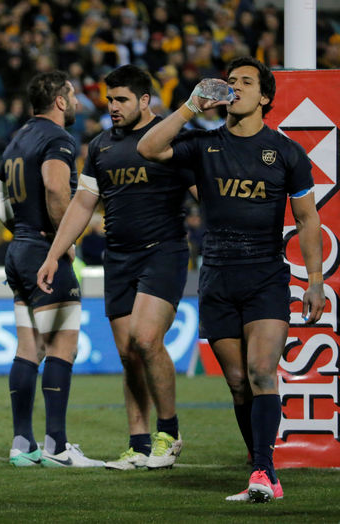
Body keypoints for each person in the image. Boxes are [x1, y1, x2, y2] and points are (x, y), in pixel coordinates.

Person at [137, 56, 325, 502]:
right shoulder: (203, 145)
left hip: (265, 275)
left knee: (262, 370)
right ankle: (263, 466)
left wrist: (315, 280)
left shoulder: (286, 152)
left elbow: (307, 219)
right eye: (230, 81)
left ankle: (262, 470)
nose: (235, 87)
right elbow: (147, 148)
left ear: (264, 97)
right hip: (217, 276)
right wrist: (188, 107)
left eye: (246, 82)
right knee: (238, 381)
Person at [37, 65, 196, 471]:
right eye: (110, 99)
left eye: (122, 99)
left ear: (145, 101)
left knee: (145, 339)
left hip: (164, 251)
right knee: (128, 355)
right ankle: (139, 444)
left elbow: (204, 190)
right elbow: (82, 205)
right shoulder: (101, 145)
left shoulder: (173, 137)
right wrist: (55, 253)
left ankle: (169, 433)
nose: (113, 107)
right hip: (119, 258)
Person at [0, 70, 102, 469]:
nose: (76, 102)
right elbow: (56, 188)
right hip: (43, 250)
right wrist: (63, 243)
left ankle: (23, 444)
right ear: (58, 100)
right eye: (72, 94)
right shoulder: (57, 139)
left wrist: (15, 228)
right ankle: (57, 446)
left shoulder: (19, 138)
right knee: (61, 346)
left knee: (28, 348)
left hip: (19, 249)